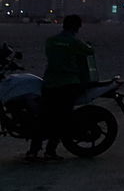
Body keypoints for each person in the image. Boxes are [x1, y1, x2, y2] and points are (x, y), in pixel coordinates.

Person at [28, 14, 94, 162]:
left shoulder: (50, 41)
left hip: (49, 83)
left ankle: (33, 151)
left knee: (43, 118)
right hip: (68, 85)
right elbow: (90, 51)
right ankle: (50, 152)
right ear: (77, 27)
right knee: (61, 119)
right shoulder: (74, 42)